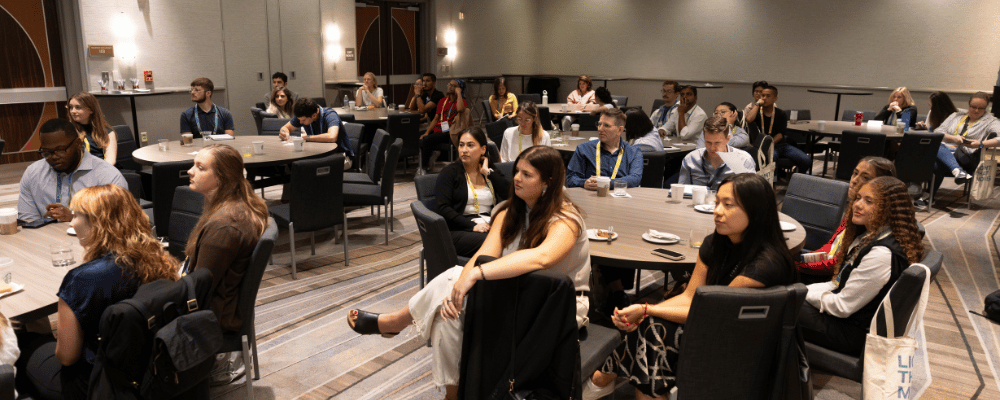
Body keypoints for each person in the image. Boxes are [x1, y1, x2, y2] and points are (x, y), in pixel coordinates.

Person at [347, 146, 591, 400]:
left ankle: (395, 323)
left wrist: (473, 275)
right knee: (447, 311)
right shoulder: (510, 212)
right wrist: (462, 283)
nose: (516, 178)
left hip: (558, 309)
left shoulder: (565, 219)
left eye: (527, 175)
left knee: (456, 280)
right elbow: (484, 254)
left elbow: (543, 258)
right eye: (517, 170)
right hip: (516, 296)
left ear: (547, 183)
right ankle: (453, 394)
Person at [584, 173, 796, 400]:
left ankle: (603, 377)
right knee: (651, 327)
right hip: (715, 323)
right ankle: (606, 379)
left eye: (728, 205)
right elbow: (690, 296)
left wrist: (647, 309)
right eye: (717, 203)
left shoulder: (765, 265)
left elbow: (708, 313)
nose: (717, 211)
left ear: (755, 212)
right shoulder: (716, 243)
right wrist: (646, 312)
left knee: (653, 330)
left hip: (744, 343)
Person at [25, 184, 178, 399]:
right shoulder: (159, 259)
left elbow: (67, 357)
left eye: (76, 215)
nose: (71, 222)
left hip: (98, 384)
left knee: (23, 342)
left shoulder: (83, 278)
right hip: (152, 369)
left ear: (98, 224)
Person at [799, 176, 925, 357]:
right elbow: (836, 284)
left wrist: (800, 293)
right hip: (847, 319)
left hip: (853, 334)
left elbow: (842, 307)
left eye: (869, 201)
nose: (857, 204)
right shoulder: (871, 235)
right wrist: (802, 291)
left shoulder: (881, 254)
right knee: (785, 297)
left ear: (888, 209)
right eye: (857, 198)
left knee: (778, 306)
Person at [183, 144, 270, 384]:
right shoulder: (237, 207)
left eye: (200, 167)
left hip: (213, 314)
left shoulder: (224, 225)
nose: (190, 171)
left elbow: (199, 286)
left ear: (222, 178)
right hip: (222, 303)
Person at [796, 157, 896, 283]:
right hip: (822, 268)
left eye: (865, 178)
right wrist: (802, 259)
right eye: (855, 173)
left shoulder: (865, 218)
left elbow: (837, 263)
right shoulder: (854, 208)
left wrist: (796, 266)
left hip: (831, 279)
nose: (854, 180)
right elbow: (831, 247)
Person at [18, 119, 126, 223]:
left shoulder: (108, 177)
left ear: (78, 144)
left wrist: (75, 217)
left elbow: (118, 222)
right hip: (47, 239)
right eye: (46, 152)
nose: (53, 157)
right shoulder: (33, 173)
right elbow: (28, 220)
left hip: (93, 240)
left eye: (60, 150)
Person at [435, 127, 510, 258]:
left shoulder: (489, 171)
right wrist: (472, 226)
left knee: (517, 237)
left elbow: (509, 194)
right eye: (461, 145)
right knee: (498, 243)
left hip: (489, 225)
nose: (464, 150)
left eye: (470, 145)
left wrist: (488, 173)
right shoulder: (449, 172)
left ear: (483, 149)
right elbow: (443, 209)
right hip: (459, 229)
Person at [931, 92, 1000, 190]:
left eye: (981, 108)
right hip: (946, 151)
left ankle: (926, 194)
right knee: (936, 164)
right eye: (973, 107)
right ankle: (957, 171)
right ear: (969, 104)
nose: (976, 111)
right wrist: (953, 138)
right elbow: (938, 132)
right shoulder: (956, 115)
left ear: (986, 107)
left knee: (935, 150)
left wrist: (980, 144)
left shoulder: (991, 121)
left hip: (966, 156)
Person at [566, 108, 643, 189]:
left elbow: (635, 179)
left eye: (606, 125)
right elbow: (571, 178)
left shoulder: (634, 152)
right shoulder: (584, 149)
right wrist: (583, 183)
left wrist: (608, 183)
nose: (600, 129)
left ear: (620, 130)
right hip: (590, 197)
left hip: (619, 197)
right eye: (599, 124)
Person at [679, 116, 756, 190]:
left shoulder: (743, 160)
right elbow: (681, 192)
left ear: (728, 139)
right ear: (704, 137)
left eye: (717, 143)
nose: (712, 148)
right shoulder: (691, 159)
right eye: (708, 142)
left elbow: (750, 194)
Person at [748, 85, 811, 173]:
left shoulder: (780, 113)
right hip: (763, 146)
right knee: (772, 158)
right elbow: (749, 119)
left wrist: (770, 143)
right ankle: (773, 183)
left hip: (781, 145)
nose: (764, 98)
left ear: (775, 99)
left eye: (768, 96)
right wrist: (757, 104)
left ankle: (796, 178)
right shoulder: (757, 112)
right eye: (763, 96)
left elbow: (781, 134)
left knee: (806, 159)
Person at [278, 98, 355, 169]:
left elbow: (332, 137)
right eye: (299, 120)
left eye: (303, 120)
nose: (300, 122)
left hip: (339, 156)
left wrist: (307, 138)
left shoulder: (330, 115)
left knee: (303, 169)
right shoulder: (302, 115)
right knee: (294, 165)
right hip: (317, 154)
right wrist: (284, 132)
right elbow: (286, 128)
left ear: (314, 115)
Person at [419, 79, 468, 172]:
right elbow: (436, 119)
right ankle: (431, 156)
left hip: (449, 131)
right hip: (438, 128)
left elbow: (461, 109)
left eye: (454, 86)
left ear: (459, 89)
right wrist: (427, 132)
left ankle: (424, 168)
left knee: (427, 139)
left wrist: (459, 94)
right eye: (449, 84)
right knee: (421, 136)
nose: (450, 86)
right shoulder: (443, 100)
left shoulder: (461, 101)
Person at [67, 92, 117, 165]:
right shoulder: (68, 131)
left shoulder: (107, 131)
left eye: (78, 107)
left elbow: (111, 160)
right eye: (71, 107)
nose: (73, 111)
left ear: (91, 110)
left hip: (104, 170)